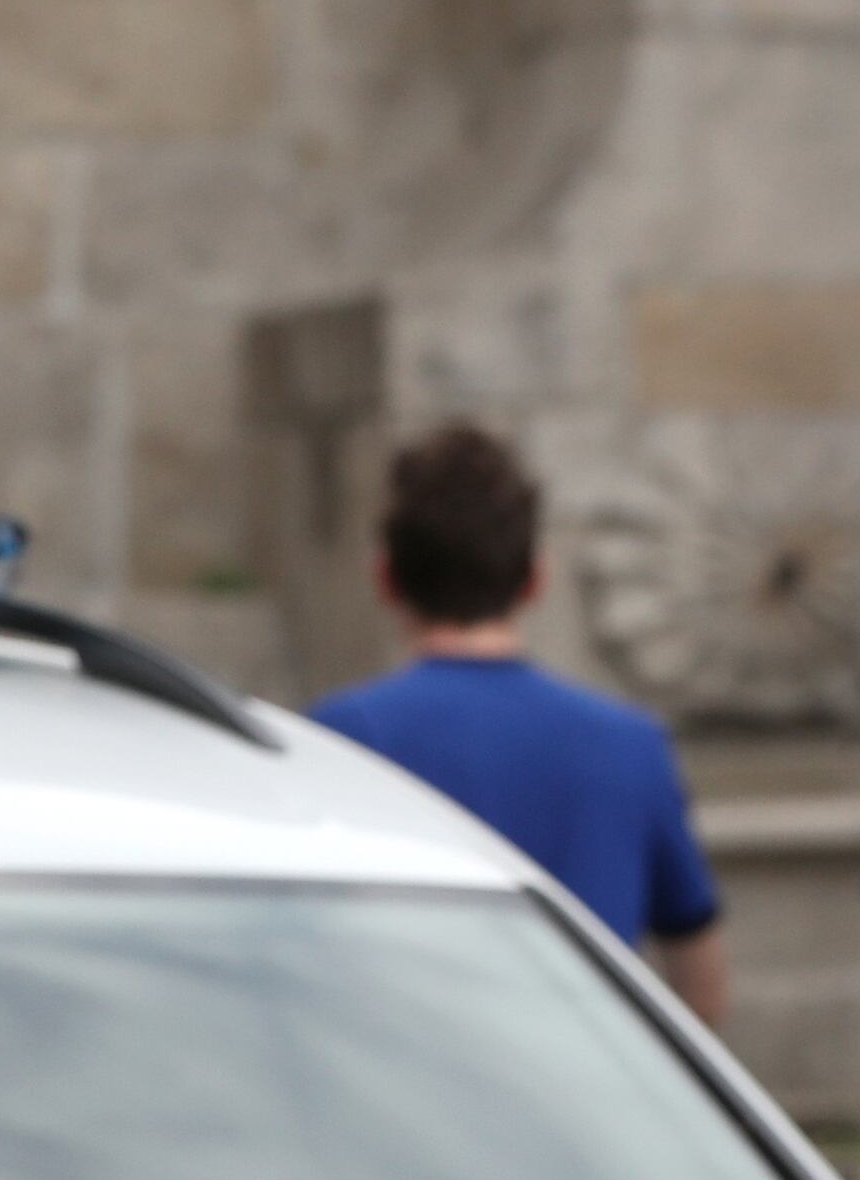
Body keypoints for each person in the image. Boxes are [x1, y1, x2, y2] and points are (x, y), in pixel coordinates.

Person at [312, 421, 728, 1019]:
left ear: (387, 579)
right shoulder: (632, 745)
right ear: (535, 578)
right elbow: (700, 979)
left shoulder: (337, 742)